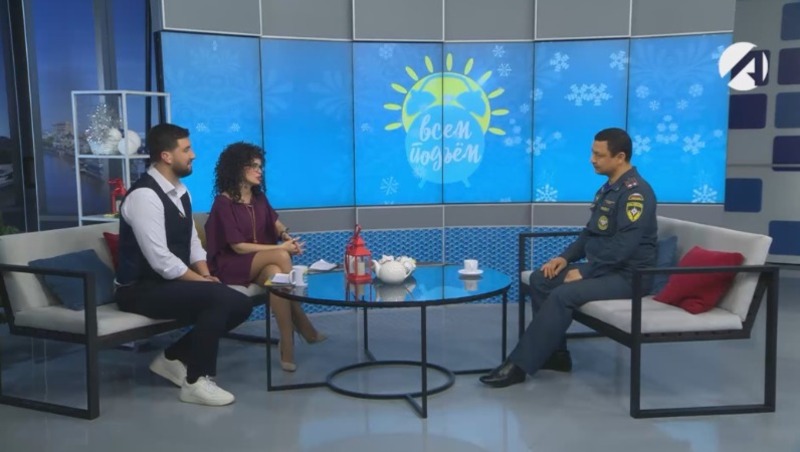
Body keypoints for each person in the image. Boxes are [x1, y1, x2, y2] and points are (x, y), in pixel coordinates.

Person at [479, 127, 657, 388]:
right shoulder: (609, 189)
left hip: (630, 277)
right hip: (606, 269)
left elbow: (624, 246)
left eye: (599, 155)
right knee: (541, 279)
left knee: (564, 294)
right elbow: (590, 233)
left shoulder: (636, 194)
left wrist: (585, 271)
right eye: (592, 153)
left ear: (620, 157)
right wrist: (565, 258)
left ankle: (518, 366)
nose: (592, 160)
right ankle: (556, 355)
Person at [114, 123, 253, 406]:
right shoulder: (144, 197)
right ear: (166, 156)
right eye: (186, 149)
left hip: (168, 284)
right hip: (139, 289)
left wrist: (206, 274)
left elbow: (191, 242)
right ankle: (196, 382)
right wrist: (203, 284)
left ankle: (173, 357)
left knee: (240, 304)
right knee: (217, 298)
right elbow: (161, 260)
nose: (193, 155)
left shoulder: (181, 192)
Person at [204, 142, 324, 373]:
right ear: (238, 167)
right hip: (231, 263)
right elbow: (238, 247)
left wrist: (287, 236)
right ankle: (304, 325)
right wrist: (281, 248)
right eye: (254, 166)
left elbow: (275, 223)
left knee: (276, 274)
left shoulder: (259, 198)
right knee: (280, 254)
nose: (260, 171)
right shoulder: (223, 202)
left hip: (259, 263)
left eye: (261, 166)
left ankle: (286, 344)